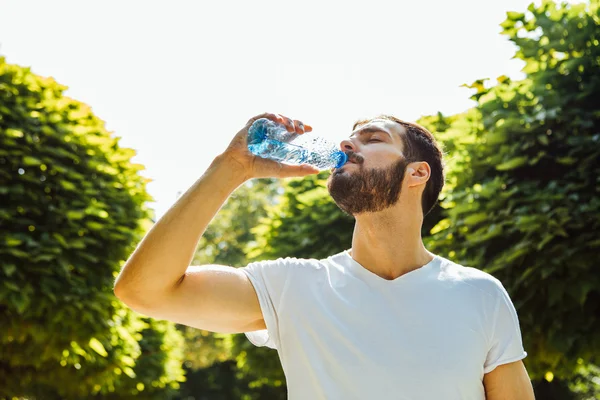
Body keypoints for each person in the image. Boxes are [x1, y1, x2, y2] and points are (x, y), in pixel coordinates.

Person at [114, 113, 535, 400]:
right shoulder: (291, 287)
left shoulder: (480, 294)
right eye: (349, 139)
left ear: (417, 173)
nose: (348, 144)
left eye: (372, 139)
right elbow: (143, 292)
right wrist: (231, 167)